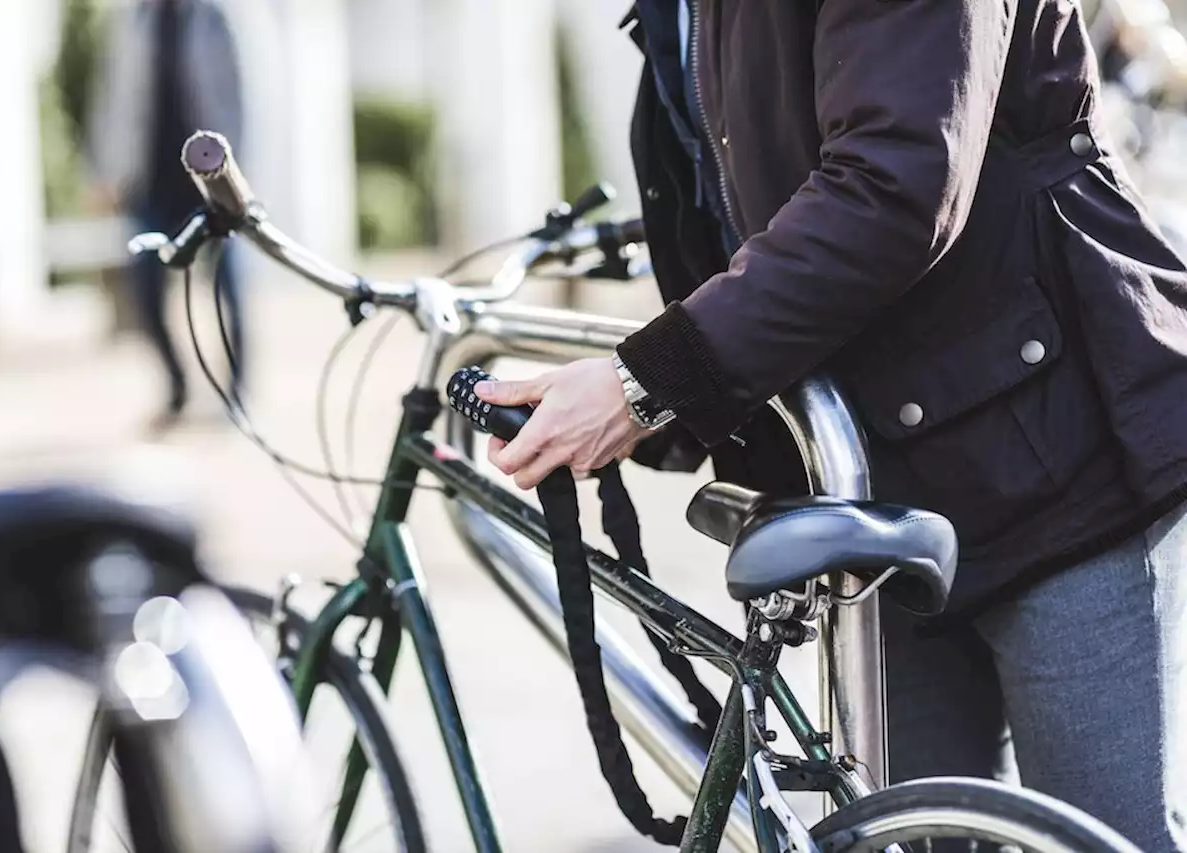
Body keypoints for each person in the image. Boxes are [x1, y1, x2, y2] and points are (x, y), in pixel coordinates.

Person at [475, 1, 1187, 849]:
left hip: (1058, 451)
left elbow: (894, 182)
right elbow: (727, 199)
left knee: (1103, 838)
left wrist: (644, 384)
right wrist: (649, 408)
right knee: (903, 839)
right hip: (878, 482)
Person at [87, 0, 246, 432]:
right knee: (145, 289)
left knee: (228, 289)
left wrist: (238, 177)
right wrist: (105, 172)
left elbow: (243, 93)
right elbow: (112, 99)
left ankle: (238, 394)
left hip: (211, 181)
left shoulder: (217, 15)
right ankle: (176, 386)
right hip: (149, 180)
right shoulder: (132, 19)